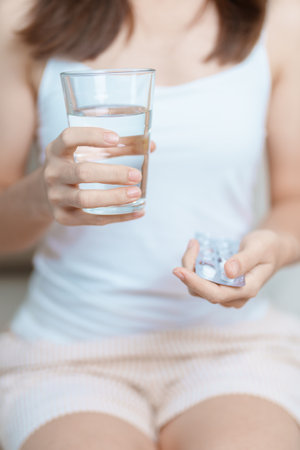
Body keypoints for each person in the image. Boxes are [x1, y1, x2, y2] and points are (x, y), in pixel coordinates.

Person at [0, 0, 300, 449]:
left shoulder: (281, 17)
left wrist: (274, 246)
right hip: (67, 352)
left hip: (230, 347)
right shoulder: (20, 16)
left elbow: (293, 196)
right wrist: (41, 196)